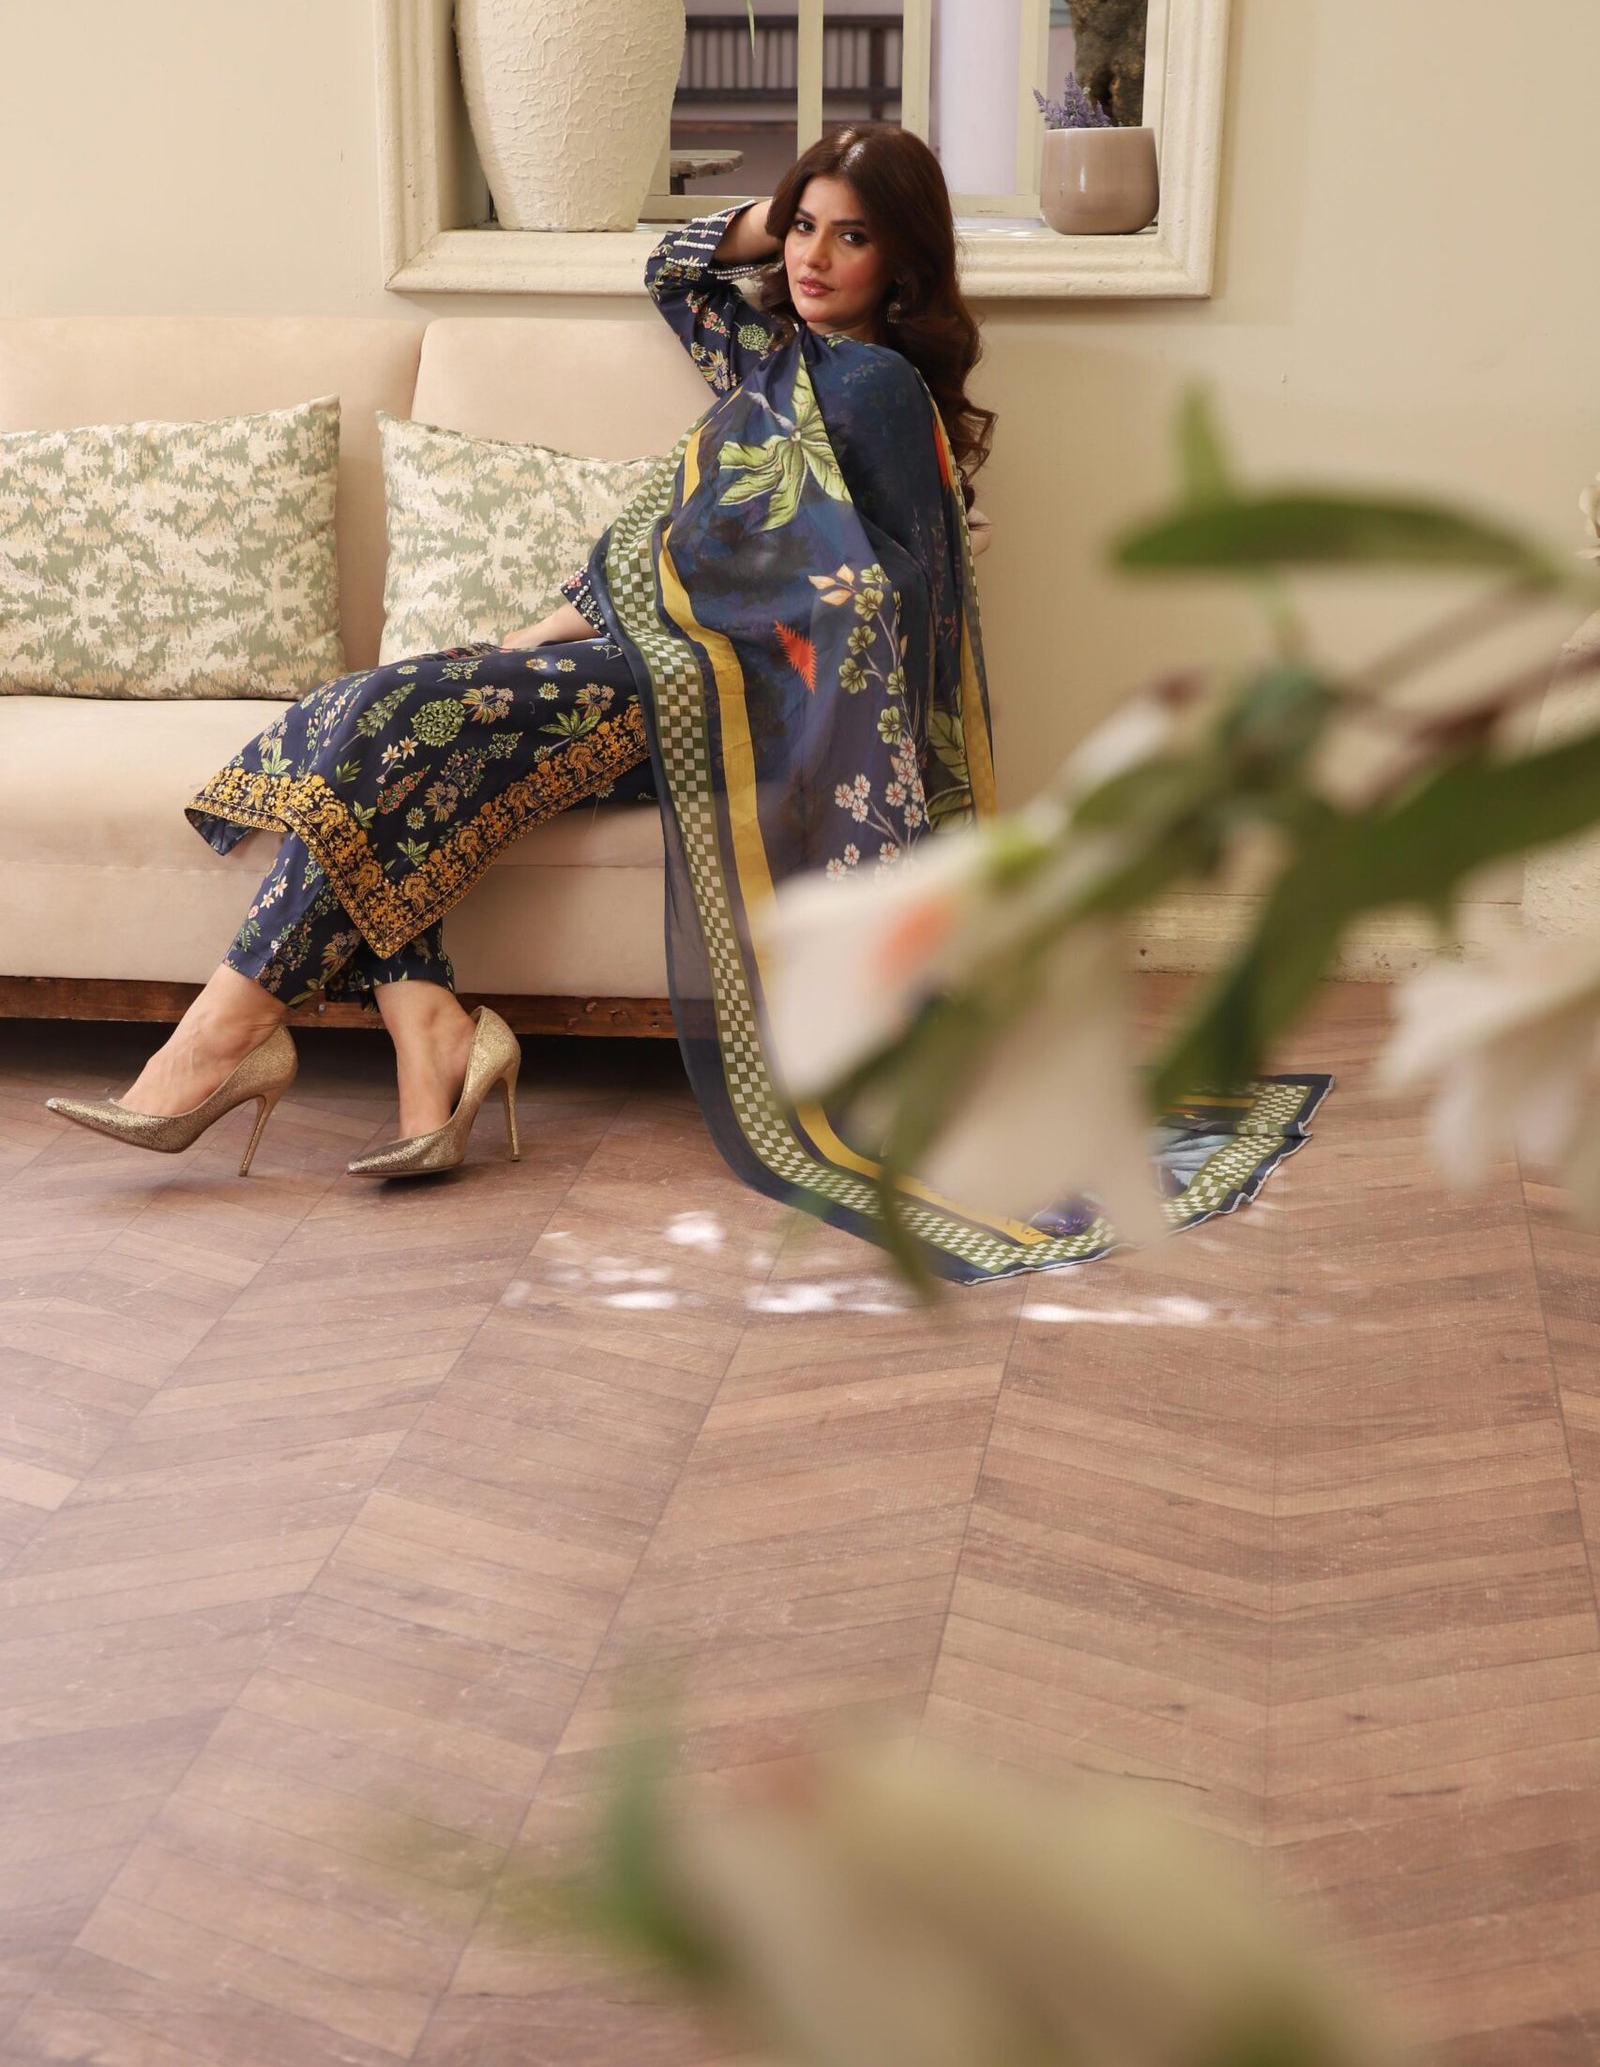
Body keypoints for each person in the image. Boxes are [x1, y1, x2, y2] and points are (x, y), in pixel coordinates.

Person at [50, 125, 1049, 1277]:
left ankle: (222, 1043)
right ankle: (429, 1038)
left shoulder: (874, 387)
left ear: (904, 261)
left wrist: (717, 597)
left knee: (380, 719)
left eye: (852, 237)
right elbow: (674, 265)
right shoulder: (774, 356)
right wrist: (782, 214)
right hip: (642, 661)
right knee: (372, 707)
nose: (813, 258)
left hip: (728, 698)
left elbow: (893, 593)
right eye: (803, 228)